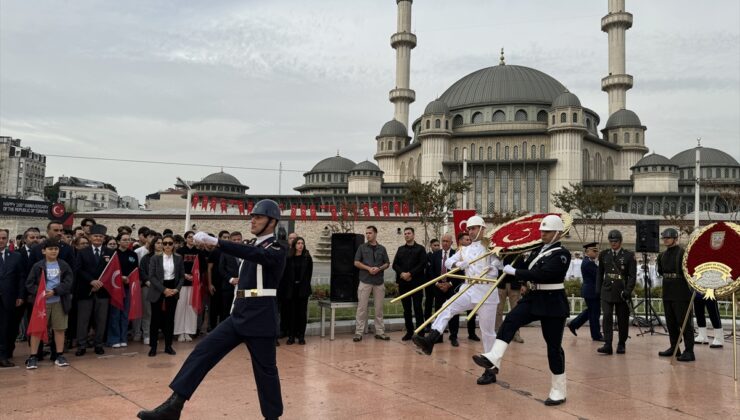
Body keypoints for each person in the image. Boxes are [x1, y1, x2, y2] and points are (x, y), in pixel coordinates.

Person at [137, 199, 287, 420]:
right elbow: (250, 260)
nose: (253, 220)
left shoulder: (277, 247)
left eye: (259, 217)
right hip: (239, 314)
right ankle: (174, 405)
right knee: (201, 353)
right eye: (252, 216)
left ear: (272, 222)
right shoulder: (253, 246)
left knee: (266, 373)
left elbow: (257, 257)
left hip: (260, 318)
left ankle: (272, 417)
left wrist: (217, 241)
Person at [472, 215, 571, 405]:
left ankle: (559, 389)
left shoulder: (561, 254)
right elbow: (525, 267)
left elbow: (543, 274)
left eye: (547, 231)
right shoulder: (537, 250)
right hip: (533, 298)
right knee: (511, 320)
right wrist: (502, 262)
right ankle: (495, 357)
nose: (542, 234)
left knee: (553, 348)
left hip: (552, 303)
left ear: (558, 233)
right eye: (542, 231)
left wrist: (515, 272)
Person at [414, 215, 502, 386]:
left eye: (474, 228)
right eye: (469, 229)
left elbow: (499, 265)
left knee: (487, 332)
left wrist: (493, 266)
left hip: (487, 291)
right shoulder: (465, 249)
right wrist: (457, 265)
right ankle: (431, 339)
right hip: (469, 288)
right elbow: (448, 262)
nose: (471, 231)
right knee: (447, 307)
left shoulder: (491, 246)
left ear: (482, 229)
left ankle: (490, 370)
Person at [25, 238, 74, 369]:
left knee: (59, 329)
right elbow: (29, 284)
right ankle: (33, 356)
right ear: (43, 251)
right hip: (41, 304)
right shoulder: (38, 266)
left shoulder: (64, 265)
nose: (53, 251)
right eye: (50, 249)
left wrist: (55, 291)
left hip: (59, 302)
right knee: (37, 330)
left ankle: (59, 355)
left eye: (56, 249)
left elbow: (68, 282)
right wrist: (40, 292)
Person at [74, 224, 113, 357]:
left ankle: (98, 344)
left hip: (103, 291)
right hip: (86, 290)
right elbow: (78, 270)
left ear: (104, 238)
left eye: (100, 236)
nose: (98, 238)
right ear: (90, 237)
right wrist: (91, 280)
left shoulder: (110, 252)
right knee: (83, 320)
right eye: (95, 236)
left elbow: (113, 272)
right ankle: (81, 345)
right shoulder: (82, 252)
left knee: (101, 320)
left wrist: (101, 283)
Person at [657, 228, 695, 361]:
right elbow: (661, 271)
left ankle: (689, 351)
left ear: (675, 239)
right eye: (664, 238)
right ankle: (674, 347)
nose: (666, 240)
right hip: (668, 291)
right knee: (671, 322)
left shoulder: (683, 253)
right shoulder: (661, 255)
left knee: (684, 322)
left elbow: (690, 272)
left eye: (668, 237)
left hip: (681, 292)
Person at [596, 229, 636, 355]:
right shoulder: (604, 254)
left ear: (621, 241)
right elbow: (600, 273)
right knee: (607, 317)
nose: (613, 243)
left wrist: (628, 291)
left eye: (616, 241)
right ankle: (608, 344)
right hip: (607, 290)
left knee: (622, 319)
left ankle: (621, 343)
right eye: (611, 241)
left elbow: (632, 276)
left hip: (621, 291)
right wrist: (598, 289)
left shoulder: (628, 255)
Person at [147, 234, 184, 357]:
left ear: (174, 245)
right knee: (155, 320)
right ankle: (153, 347)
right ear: (161, 245)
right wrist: (164, 290)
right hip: (158, 290)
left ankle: (168, 346)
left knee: (169, 320)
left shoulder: (178, 258)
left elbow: (182, 276)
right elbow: (151, 276)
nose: (167, 245)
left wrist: (176, 289)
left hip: (173, 290)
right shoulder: (155, 258)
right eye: (165, 243)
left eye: (170, 243)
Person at [353, 226, 390, 342]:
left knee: (378, 309)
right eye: (366, 233)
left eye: (370, 233)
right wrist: (368, 268)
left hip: (379, 282)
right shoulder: (362, 247)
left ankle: (380, 332)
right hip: (365, 281)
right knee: (361, 308)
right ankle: (358, 333)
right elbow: (356, 262)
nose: (368, 235)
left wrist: (379, 268)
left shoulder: (382, 249)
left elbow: (387, 263)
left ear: (375, 234)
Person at [392, 227, 427, 341]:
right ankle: (409, 332)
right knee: (406, 309)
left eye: (409, 233)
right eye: (405, 234)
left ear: (413, 235)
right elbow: (395, 265)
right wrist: (402, 273)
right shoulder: (400, 249)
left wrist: (410, 274)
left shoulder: (420, 249)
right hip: (404, 284)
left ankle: (421, 332)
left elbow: (422, 264)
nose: (406, 235)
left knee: (417, 308)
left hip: (416, 283)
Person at [106, 232, 138, 348]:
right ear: (119, 241)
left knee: (125, 314)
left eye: (128, 239)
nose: (126, 242)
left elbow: (135, 271)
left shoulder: (133, 254)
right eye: (124, 240)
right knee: (115, 314)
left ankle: (123, 338)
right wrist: (120, 278)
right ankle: (114, 339)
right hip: (115, 288)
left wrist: (129, 279)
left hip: (128, 287)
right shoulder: (113, 254)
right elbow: (110, 271)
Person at [566, 242, 604, 341]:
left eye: (597, 251)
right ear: (587, 252)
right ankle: (596, 335)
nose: (596, 253)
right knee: (595, 314)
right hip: (591, 292)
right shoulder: (588, 263)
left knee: (591, 312)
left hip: (591, 291)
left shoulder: (590, 262)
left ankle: (573, 324)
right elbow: (598, 275)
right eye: (594, 251)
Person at [427, 233, 459, 346]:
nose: (445, 243)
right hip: (438, 288)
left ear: (451, 243)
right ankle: (438, 336)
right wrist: (437, 284)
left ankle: (453, 336)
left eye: (447, 241)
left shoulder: (457, 255)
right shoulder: (436, 255)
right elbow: (431, 272)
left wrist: (449, 284)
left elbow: (460, 272)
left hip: (451, 288)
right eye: (443, 241)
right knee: (439, 311)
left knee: (454, 312)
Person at [0, 229, 25, 367]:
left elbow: (21, 277)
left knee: (5, 328)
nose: (1, 240)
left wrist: (20, 295)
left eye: (4, 238)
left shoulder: (15, 256)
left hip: (9, 298)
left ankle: (3, 356)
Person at [283, 237, 313, 345]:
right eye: (298, 243)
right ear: (294, 245)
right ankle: (291, 336)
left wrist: (304, 285)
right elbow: (285, 274)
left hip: (302, 289)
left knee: (302, 313)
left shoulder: (307, 258)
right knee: (291, 313)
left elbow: (309, 274)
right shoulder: (288, 257)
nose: (300, 245)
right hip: (291, 289)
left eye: (302, 243)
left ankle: (301, 336)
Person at [174, 231, 202, 342]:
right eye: (189, 237)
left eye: (193, 237)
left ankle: (189, 331)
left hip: (194, 284)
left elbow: (202, 268)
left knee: (191, 308)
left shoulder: (199, 252)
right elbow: (177, 266)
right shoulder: (180, 251)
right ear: (185, 239)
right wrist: (184, 275)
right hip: (182, 283)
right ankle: (180, 332)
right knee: (180, 307)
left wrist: (195, 277)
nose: (191, 239)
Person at [137, 234, 162, 345]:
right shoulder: (146, 257)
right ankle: (147, 334)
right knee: (148, 312)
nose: (160, 245)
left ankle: (156, 333)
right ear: (153, 244)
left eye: (162, 243)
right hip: (148, 287)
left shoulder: (169, 257)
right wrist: (148, 281)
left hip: (163, 288)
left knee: (159, 313)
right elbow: (142, 271)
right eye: (158, 243)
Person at [495, 253, 524, 344]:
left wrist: (523, 283)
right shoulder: (500, 252)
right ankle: (498, 332)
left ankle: (516, 334)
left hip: (515, 285)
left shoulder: (519, 253)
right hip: (501, 284)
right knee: (498, 310)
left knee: (516, 311)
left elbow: (522, 269)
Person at [458, 231, 480, 342]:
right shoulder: (458, 253)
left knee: (472, 311)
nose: (469, 241)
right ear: (460, 241)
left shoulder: (474, 253)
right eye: (466, 239)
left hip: (472, 286)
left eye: (469, 239)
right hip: (457, 285)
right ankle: (454, 335)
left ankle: (472, 333)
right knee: (454, 309)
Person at [218, 231, 243, 322]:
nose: (237, 241)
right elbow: (221, 269)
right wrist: (231, 279)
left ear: (242, 240)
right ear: (231, 241)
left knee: (240, 309)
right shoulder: (225, 252)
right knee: (226, 310)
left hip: (242, 287)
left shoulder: (246, 252)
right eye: (234, 240)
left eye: (238, 239)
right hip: (228, 287)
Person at [423, 238, 441, 328]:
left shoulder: (442, 255)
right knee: (428, 304)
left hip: (439, 284)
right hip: (430, 284)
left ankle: (439, 325)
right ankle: (427, 325)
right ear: (431, 246)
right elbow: (428, 270)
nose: (437, 247)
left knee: (439, 305)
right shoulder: (427, 256)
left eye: (438, 245)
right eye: (435, 245)